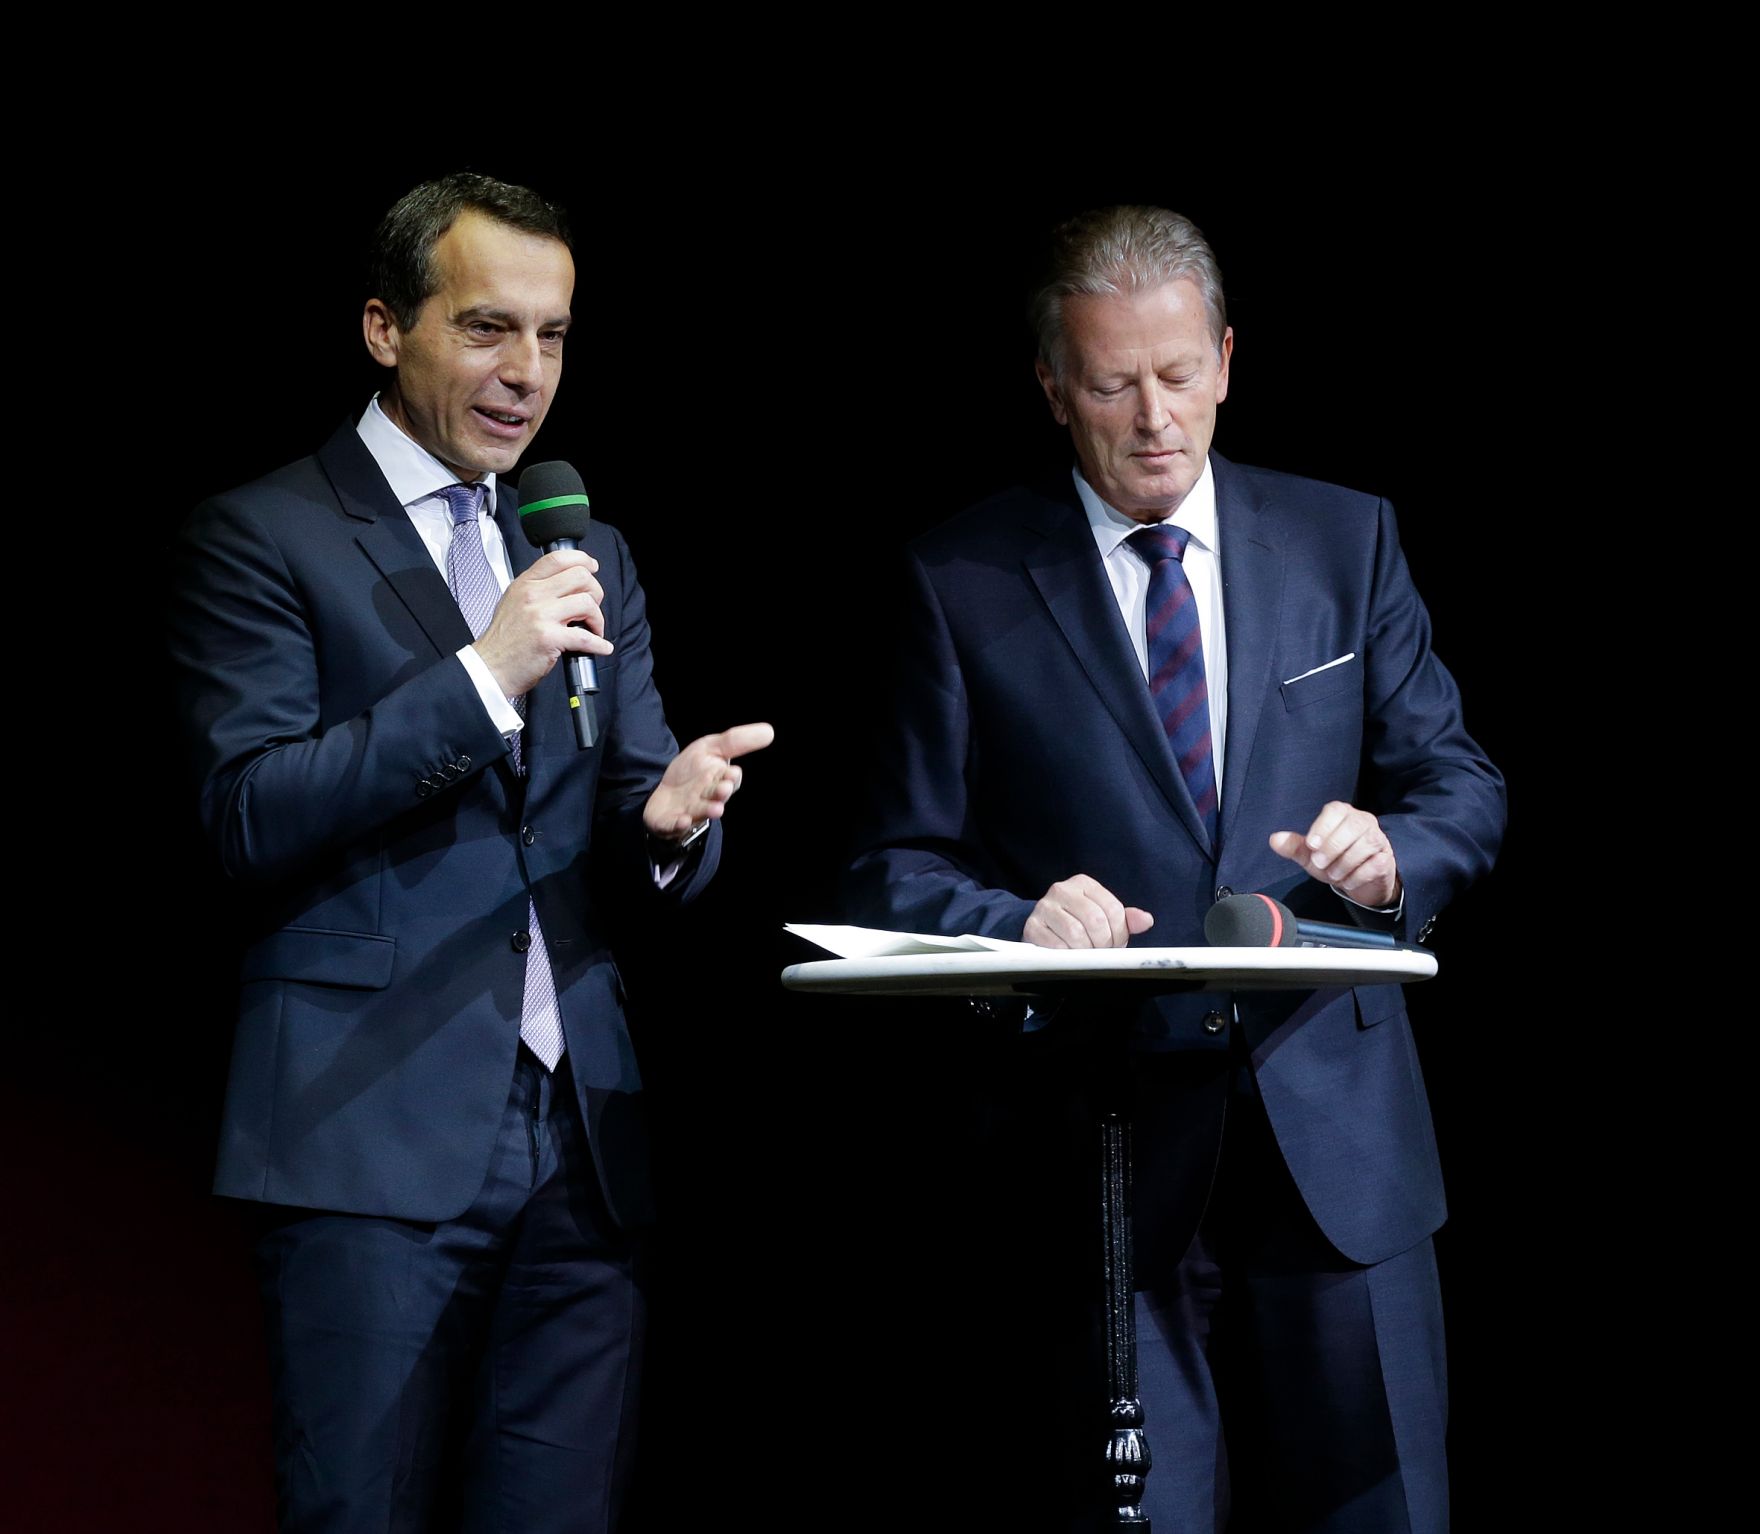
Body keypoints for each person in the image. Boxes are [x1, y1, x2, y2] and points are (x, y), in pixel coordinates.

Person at [846, 206, 1504, 1531]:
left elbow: (1459, 784)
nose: (1153, 416)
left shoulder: (1344, 538)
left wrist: (1392, 860)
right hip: (1107, 1159)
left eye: (1178, 374)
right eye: (1110, 384)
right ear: (1051, 388)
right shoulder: (961, 579)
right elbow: (892, 864)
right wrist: (1020, 918)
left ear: (1226, 359)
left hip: (1340, 1150)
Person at [167, 172, 771, 1532]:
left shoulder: (582, 542)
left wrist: (669, 827)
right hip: (366, 1135)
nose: (526, 373)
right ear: (387, 328)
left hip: (581, 1141)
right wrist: (481, 675)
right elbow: (248, 812)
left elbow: (622, 815)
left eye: (554, 337)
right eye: (490, 328)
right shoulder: (264, 537)